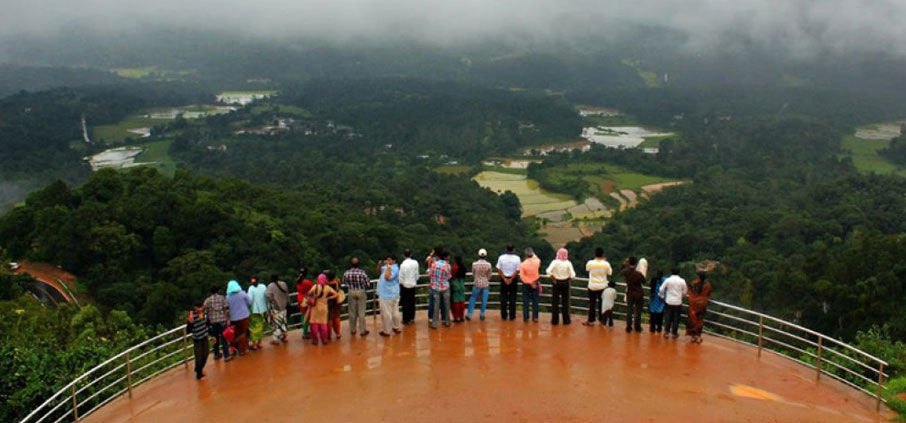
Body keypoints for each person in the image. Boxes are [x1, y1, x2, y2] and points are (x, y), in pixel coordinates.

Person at [307, 274, 340, 346]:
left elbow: (309, 293)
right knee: (323, 323)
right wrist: (329, 298)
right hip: (324, 307)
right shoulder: (327, 287)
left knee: (314, 323)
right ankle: (324, 340)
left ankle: (315, 340)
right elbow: (336, 294)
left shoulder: (315, 287)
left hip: (315, 307)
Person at [546, 248, 576, 325]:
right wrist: (568, 278)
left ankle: (555, 321)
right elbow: (573, 275)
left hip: (556, 282)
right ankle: (566, 320)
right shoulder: (568, 263)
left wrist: (553, 278)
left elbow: (548, 271)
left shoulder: (555, 262)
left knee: (555, 302)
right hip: (565, 283)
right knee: (565, 302)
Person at [584, 248, 612, 326]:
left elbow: (587, 269)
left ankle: (591, 320)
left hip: (592, 285)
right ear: (603, 254)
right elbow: (610, 273)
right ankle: (601, 319)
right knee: (601, 303)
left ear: (595, 254)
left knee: (592, 303)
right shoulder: (606, 264)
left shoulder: (590, 263)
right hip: (602, 286)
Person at [225, 280, 252, 359]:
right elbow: (250, 302)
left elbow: (226, 307)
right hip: (244, 316)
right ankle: (243, 349)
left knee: (237, 333)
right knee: (244, 332)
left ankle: (235, 349)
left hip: (234, 318)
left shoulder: (227, 297)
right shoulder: (243, 293)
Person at [377, 255, 402, 336]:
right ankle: (396, 327)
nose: (387, 261)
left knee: (386, 313)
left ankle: (387, 331)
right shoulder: (387, 267)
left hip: (387, 294)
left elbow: (387, 277)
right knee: (395, 311)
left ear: (394, 261)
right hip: (392, 293)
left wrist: (388, 266)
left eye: (389, 260)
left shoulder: (394, 268)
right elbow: (379, 272)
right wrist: (380, 264)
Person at [344, 258, 370, 336]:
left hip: (351, 291)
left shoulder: (346, 273)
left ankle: (353, 329)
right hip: (361, 291)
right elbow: (367, 283)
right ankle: (362, 330)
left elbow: (345, 283)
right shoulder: (362, 273)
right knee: (361, 312)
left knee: (352, 311)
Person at [659, 268, 688, 339]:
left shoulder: (668, 280)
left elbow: (661, 289)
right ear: (679, 272)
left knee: (668, 317)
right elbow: (685, 291)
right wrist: (681, 296)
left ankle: (666, 332)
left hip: (669, 301)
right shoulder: (682, 281)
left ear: (671, 272)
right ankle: (674, 333)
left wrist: (663, 297)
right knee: (676, 318)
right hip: (678, 302)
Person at [203, 285, 230, 360]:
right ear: (218, 291)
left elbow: (204, 309)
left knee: (215, 338)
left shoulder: (208, 300)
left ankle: (216, 354)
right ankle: (226, 355)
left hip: (213, 321)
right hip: (222, 320)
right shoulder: (221, 298)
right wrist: (227, 319)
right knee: (224, 338)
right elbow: (225, 309)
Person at [496, 245, 521, 321]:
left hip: (504, 279)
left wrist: (504, 278)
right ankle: (512, 316)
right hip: (513, 279)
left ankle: (504, 316)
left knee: (503, 298)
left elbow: (499, 269)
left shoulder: (501, 257)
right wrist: (511, 279)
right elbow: (518, 270)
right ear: (513, 249)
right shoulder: (517, 258)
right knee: (513, 298)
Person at [186, 301, 211, 380]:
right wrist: (190, 323)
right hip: (197, 339)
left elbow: (208, 325)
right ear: (195, 308)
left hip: (204, 337)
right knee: (199, 357)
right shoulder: (192, 316)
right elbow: (188, 330)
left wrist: (212, 335)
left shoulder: (205, 314)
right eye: (198, 307)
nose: (200, 309)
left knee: (206, 354)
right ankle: (199, 374)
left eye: (201, 307)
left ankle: (199, 369)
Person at [621, 257, 646, 333]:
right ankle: (637, 327)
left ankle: (628, 327)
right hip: (638, 293)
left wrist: (624, 264)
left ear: (629, 263)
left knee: (629, 310)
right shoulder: (638, 274)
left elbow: (621, 272)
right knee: (638, 310)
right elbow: (644, 281)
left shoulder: (626, 272)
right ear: (636, 263)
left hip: (630, 293)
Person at [686, 272, 712, 344]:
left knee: (693, 320)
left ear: (698, 277)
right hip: (702, 305)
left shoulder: (693, 284)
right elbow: (708, 294)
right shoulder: (707, 285)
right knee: (700, 320)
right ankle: (698, 336)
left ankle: (693, 336)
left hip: (694, 305)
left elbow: (689, 292)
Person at [429, 249, 453, 329]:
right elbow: (449, 276)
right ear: (446, 257)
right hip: (445, 287)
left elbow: (430, 273)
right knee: (446, 305)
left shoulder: (434, 264)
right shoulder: (447, 266)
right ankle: (447, 321)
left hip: (435, 287)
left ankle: (434, 323)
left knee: (436, 305)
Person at [467, 249, 492, 321]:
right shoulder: (488, 264)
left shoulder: (474, 264)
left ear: (478, 255)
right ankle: (482, 314)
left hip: (477, 284)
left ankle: (469, 314)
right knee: (484, 300)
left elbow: (473, 274)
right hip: (485, 284)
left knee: (473, 298)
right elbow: (489, 275)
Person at [266, 274, 290, 344]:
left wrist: (273, 300)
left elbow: (267, 295)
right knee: (283, 322)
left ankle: (275, 339)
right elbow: (287, 294)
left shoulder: (271, 286)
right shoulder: (283, 284)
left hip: (276, 307)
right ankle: (284, 337)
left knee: (277, 324)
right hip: (284, 306)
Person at [520, 248, 541, 322]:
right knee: (535, 301)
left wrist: (529, 282)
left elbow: (522, 276)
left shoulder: (523, 264)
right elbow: (537, 258)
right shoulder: (537, 262)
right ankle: (535, 317)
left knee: (526, 301)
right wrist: (532, 282)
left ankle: (526, 317)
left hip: (526, 284)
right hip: (535, 282)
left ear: (525, 255)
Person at [399, 249, 420, 325]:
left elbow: (401, 277)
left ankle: (405, 319)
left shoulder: (402, 265)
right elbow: (417, 274)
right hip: (413, 285)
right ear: (411, 255)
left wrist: (402, 283)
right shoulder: (415, 263)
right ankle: (412, 318)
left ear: (403, 255)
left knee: (405, 303)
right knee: (412, 302)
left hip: (405, 285)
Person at [247, 276, 267, 351]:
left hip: (254, 310)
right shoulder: (263, 286)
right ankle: (259, 342)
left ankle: (254, 343)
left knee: (253, 327)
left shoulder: (251, 288)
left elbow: (250, 300)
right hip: (263, 309)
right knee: (261, 326)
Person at [295, 268, 314, 340]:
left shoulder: (298, 281)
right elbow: (312, 290)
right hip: (307, 299)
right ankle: (307, 332)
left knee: (303, 315)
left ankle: (305, 331)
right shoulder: (308, 282)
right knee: (309, 315)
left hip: (300, 299)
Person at [325, 270, 343, 340]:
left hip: (329, 302)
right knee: (337, 317)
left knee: (329, 318)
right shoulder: (337, 282)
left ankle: (329, 335)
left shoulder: (327, 284)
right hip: (337, 301)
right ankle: (338, 333)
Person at [450, 256, 467, 323]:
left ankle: (456, 318)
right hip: (462, 284)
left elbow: (452, 275)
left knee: (455, 302)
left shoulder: (454, 267)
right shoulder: (463, 267)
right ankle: (462, 316)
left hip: (455, 284)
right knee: (462, 301)